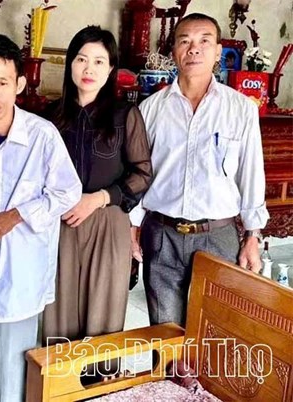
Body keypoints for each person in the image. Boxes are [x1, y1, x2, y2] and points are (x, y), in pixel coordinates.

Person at [0, 34, 82, 402]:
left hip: (20, 271)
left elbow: (67, 191)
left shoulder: (42, 136)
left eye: (3, 83)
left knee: (13, 369)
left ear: (20, 84)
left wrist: (17, 215)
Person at [130, 13, 269, 327]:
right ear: (174, 51)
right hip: (161, 234)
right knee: (166, 333)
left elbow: (251, 174)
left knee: (214, 331)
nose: (194, 48)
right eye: (185, 41)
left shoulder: (240, 109)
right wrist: (132, 225)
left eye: (204, 41)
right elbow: (138, 172)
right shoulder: (150, 109)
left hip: (217, 237)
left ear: (218, 51)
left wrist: (252, 236)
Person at [41, 26, 152, 345]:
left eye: (99, 61)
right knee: (58, 316)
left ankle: (100, 378)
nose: (89, 69)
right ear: (70, 65)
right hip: (61, 224)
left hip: (107, 222)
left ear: (111, 68)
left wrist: (99, 198)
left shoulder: (124, 115)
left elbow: (142, 173)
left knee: (103, 319)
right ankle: (61, 377)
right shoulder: (51, 116)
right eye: (81, 59)